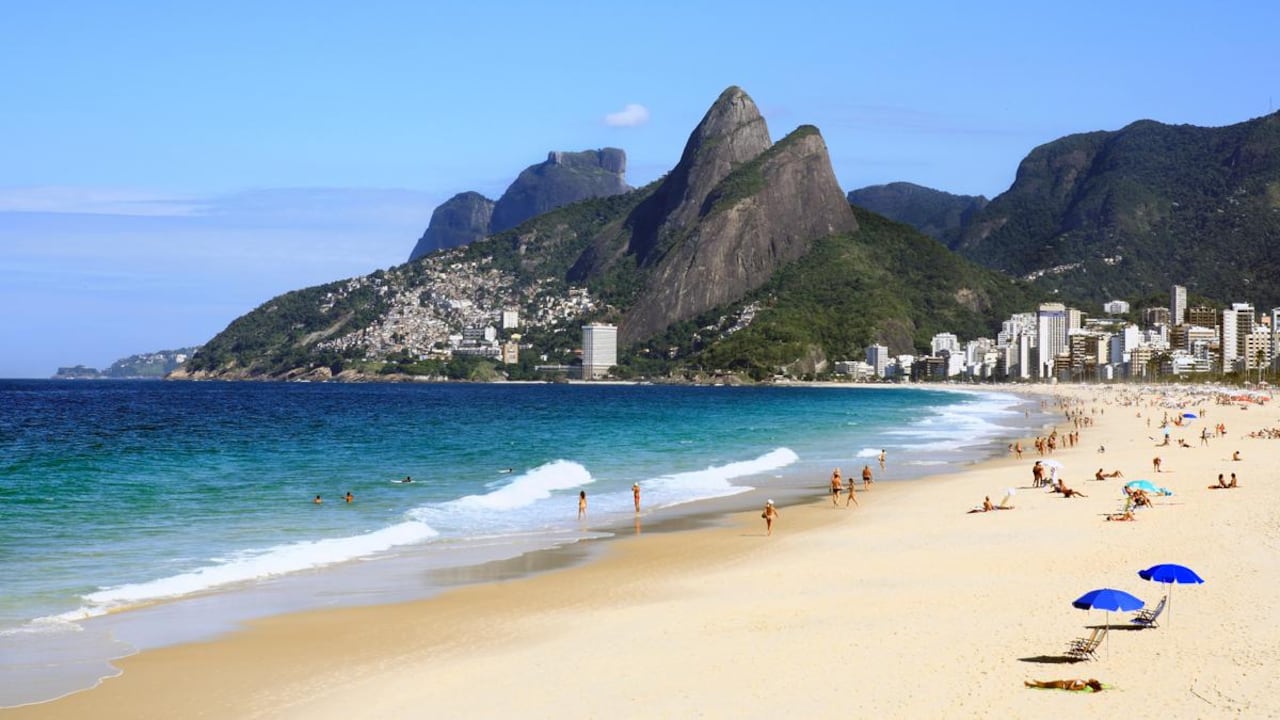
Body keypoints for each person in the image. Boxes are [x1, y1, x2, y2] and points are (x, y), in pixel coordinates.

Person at [1025, 679, 1105, 692]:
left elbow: (1071, 688)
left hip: (1062, 685)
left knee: (1046, 685)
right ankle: (1031, 684)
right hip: (1062, 682)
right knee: (1046, 684)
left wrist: (1073, 682)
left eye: (1093, 680)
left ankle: (1030, 684)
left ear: (1092, 683)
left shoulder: (1083, 686)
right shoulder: (1084, 682)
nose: (1092, 679)